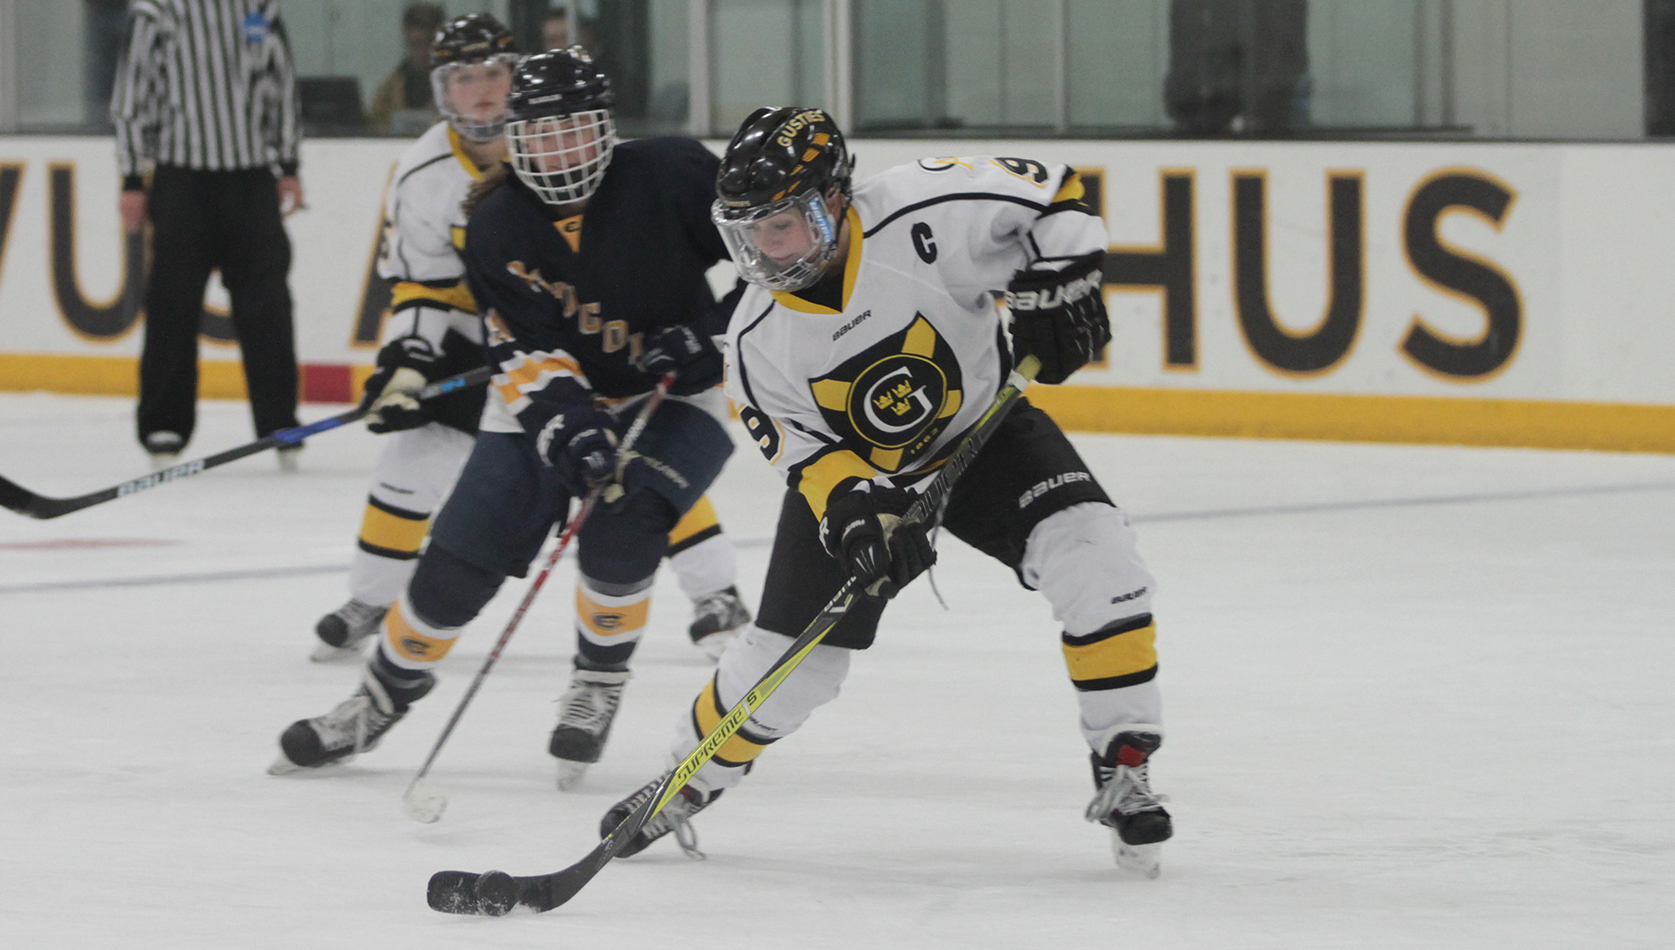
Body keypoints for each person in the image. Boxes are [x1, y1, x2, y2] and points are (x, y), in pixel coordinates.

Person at [599, 107, 1173, 875]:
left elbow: (1055, 197)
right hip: (869, 476)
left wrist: (1063, 283)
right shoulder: (752, 340)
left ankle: (1123, 762)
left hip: (986, 433)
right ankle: (684, 778)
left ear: (834, 198)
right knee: (794, 666)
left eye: (782, 225)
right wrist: (857, 518)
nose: (766, 250)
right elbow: (808, 459)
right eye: (749, 233)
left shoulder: (925, 208)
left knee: (1100, 564)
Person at [272, 48, 748, 791]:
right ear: (516, 139)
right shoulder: (495, 222)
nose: (559, 151)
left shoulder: (674, 173)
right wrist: (566, 424)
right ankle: (378, 699)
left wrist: (714, 334)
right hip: (545, 397)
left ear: (606, 130)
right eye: (543, 134)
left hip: (676, 394)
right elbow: (523, 350)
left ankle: (597, 683)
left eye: (576, 131)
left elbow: (777, 261)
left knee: (626, 521)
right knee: (462, 554)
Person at [111, 0, 306, 471]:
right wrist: (132, 177)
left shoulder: (258, 5)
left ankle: (280, 421)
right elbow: (133, 93)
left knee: (269, 307)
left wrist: (288, 162)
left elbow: (280, 84)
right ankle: (164, 423)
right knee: (172, 306)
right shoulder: (157, 10)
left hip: (251, 177)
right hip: (183, 178)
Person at [367, 3, 445, 135]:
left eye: (428, 43)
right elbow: (373, 126)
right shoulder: (389, 90)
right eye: (416, 44)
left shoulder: (456, 87)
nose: (423, 52)